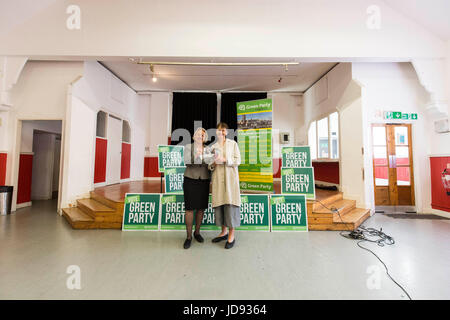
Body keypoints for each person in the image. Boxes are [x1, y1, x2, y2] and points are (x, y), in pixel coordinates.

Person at [208, 122, 241, 249]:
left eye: (223, 130)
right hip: (218, 179)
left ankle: (231, 234)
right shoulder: (213, 146)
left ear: (226, 132)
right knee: (221, 205)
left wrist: (226, 160)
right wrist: (214, 163)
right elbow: (209, 166)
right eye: (219, 130)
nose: (221, 132)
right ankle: (223, 232)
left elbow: (238, 160)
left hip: (230, 178)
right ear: (216, 132)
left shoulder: (233, 144)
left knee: (230, 204)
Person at [182, 127, 213, 249]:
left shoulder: (208, 149)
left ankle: (197, 232)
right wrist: (200, 156)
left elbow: (210, 165)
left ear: (205, 138)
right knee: (189, 209)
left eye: (203, 135)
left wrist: (212, 162)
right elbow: (187, 161)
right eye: (199, 134)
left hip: (204, 180)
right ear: (194, 136)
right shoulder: (189, 147)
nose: (201, 136)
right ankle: (188, 237)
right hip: (190, 179)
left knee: (201, 208)